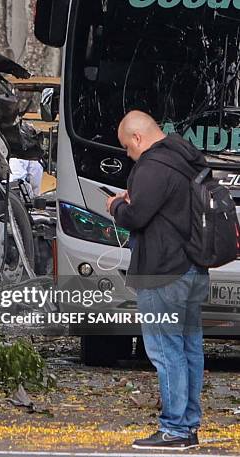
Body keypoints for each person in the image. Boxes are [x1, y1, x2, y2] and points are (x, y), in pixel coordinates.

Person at [106, 111, 209, 451]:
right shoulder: (185, 156)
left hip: (163, 272)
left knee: (166, 351)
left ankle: (175, 429)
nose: (127, 154)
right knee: (190, 349)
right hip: (193, 268)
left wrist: (116, 205)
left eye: (126, 146)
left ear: (138, 138)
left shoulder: (151, 166)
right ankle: (189, 424)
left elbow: (136, 215)